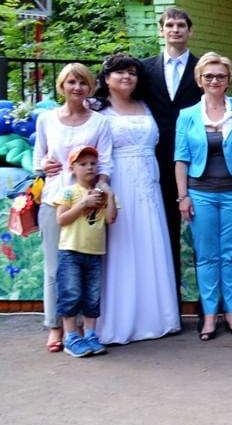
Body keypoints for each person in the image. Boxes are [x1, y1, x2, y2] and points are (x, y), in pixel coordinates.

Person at [94, 53, 182, 345]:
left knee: (150, 244)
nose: (127, 77)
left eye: (132, 72)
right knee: (122, 247)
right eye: (119, 73)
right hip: (118, 184)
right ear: (106, 78)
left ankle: (157, 317)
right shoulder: (95, 109)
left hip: (149, 184)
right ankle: (120, 321)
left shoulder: (146, 105)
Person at [174, 53, 232, 341]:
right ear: (199, 80)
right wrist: (182, 196)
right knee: (207, 257)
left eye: (220, 76)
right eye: (208, 76)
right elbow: (181, 159)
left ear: (228, 80)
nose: (214, 80)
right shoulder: (187, 116)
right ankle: (210, 316)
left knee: (231, 255)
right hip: (200, 194)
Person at [33, 63, 113, 353]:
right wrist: (43, 164)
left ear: (90, 87)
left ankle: (80, 328)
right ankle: (55, 327)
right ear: (62, 86)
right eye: (71, 82)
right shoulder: (46, 119)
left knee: (85, 268)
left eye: (83, 83)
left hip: (90, 204)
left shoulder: (99, 122)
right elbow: (38, 159)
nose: (77, 88)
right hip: (56, 199)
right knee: (55, 269)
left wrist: (102, 190)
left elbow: (105, 162)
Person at [140, 7, 202, 309]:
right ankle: (168, 307)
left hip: (198, 163)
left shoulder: (204, 68)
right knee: (162, 234)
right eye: (169, 25)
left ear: (189, 31)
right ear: (161, 30)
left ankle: (209, 310)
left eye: (181, 25)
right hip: (154, 162)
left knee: (202, 238)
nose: (175, 30)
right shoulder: (144, 69)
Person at [53, 145, 117, 358]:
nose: (89, 167)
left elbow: (111, 219)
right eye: (82, 164)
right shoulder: (69, 192)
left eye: (92, 163)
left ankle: (91, 334)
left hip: (94, 252)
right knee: (70, 294)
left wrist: (109, 195)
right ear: (72, 168)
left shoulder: (101, 193)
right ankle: (70, 337)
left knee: (92, 296)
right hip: (71, 251)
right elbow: (61, 219)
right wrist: (83, 204)